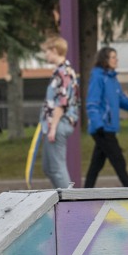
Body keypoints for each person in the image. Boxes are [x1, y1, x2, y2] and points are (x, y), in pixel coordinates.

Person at [84, 46, 128, 188]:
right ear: (105, 60)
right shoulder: (98, 77)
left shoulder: (112, 78)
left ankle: (85, 192)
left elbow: (122, 100)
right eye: (113, 57)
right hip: (102, 127)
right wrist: (98, 124)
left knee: (96, 163)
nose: (116, 60)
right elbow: (92, 103)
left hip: (108, 127)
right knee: (118, 159)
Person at [39, 37, 79, 190]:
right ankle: (63, 201)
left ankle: (70, 204)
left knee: (57, 168)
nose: (46, 55)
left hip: (58, 123)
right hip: (54, 124)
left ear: (55, 50)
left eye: (47, 51)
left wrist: (53, 127)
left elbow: (61, 103)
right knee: (48, 168)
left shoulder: (63, 72)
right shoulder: (61, 71)